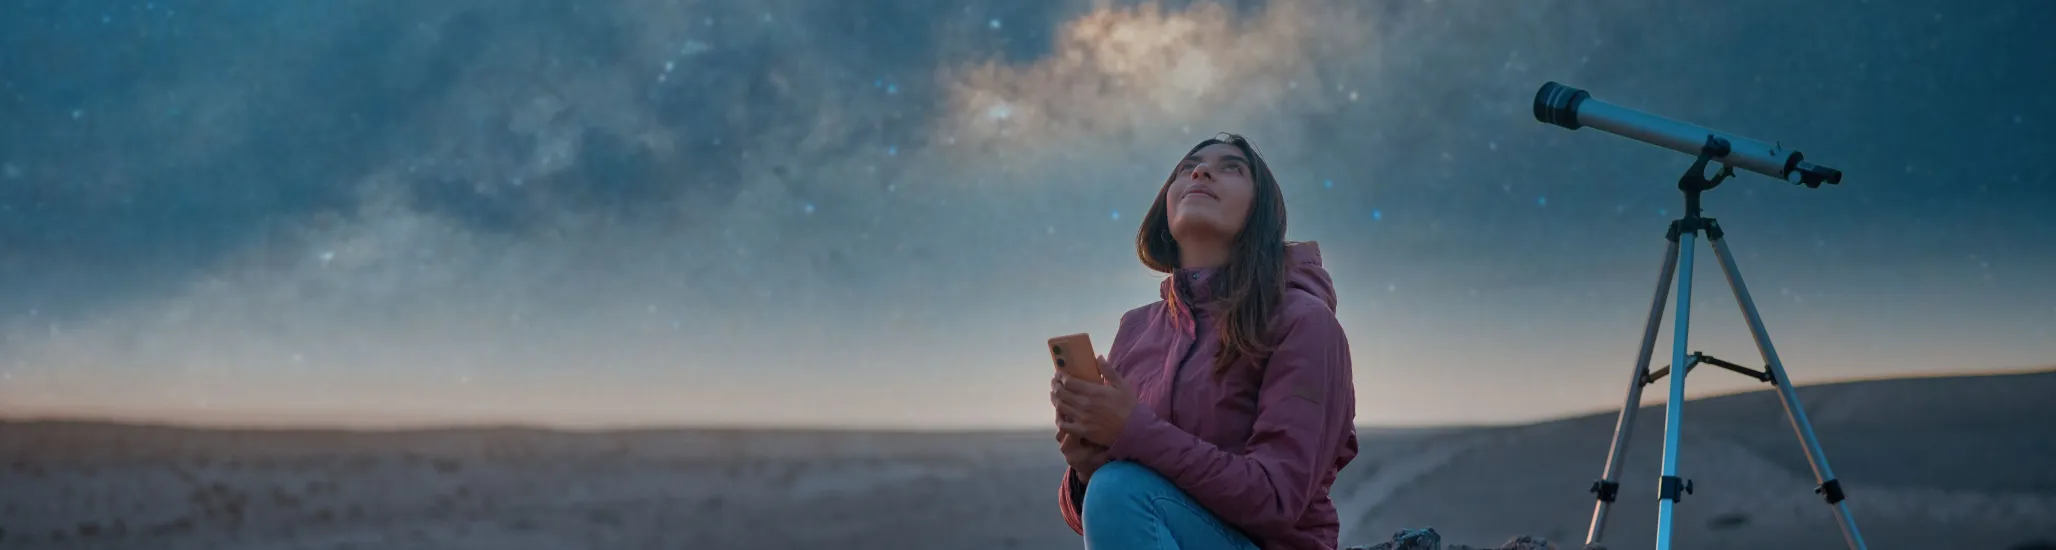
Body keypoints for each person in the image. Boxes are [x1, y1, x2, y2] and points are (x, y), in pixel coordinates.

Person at [1050, 133, 1359, 549]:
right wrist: (1085, 470)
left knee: (1116, 487)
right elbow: (1118, 514)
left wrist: (1132, 431)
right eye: (1187, 168)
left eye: (1232, 167)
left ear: (1260, 213)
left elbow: (1277, 498)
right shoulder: (1137, 328)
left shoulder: (1305, 322)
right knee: (1109, 485)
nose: (1201, 171)